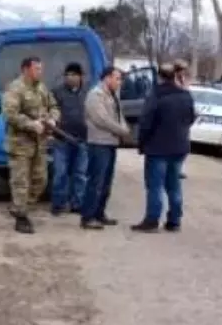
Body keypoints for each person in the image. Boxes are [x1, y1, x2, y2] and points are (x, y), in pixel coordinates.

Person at [132, 64, 196, 233]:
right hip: (179, 147)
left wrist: (141, 143)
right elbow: (191, 118)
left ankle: (152, 220)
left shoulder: (155, 96)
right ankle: (174, 220)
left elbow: (146, 122)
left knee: (155, 186)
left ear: (159, 77)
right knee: (174, 185)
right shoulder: (186, 96)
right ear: (174, 76)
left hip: (157, 148)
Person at [1, 56, 60, 234]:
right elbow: (10, 114)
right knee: (21, 182)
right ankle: (21, 217)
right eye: (37, 69)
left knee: (41, 180)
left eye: (41, 69)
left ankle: (21, 207)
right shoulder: (15, 88)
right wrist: (31, 124)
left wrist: (53, 119)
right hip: (20, 145)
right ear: (26, 69)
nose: (40, 72)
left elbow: (54, 105)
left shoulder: (41, 88)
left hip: (39, 144)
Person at [80, 66, 129, 229]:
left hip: (111, 143)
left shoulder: (113, 95)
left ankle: (99, 213)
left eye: (120, 79)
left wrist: (124, 127)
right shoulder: (96, 95)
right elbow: (102, 119)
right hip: (99, 143)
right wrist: (121, 130)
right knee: (96, 181)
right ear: (107, 78)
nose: (119, 82)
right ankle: (87, 217)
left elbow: (119, 115)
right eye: (117, 78)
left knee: (106, 182)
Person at [50, 63, 89, 215]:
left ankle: (77, 204)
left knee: (80, 174)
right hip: (62, 139)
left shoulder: (88, 92)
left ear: (80, 76)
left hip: (82, 140)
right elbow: (51, 111)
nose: (70, 77)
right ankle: (58, 204)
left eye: (73, 74)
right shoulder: (57, 92)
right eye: (67, 75)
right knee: (60, 173)